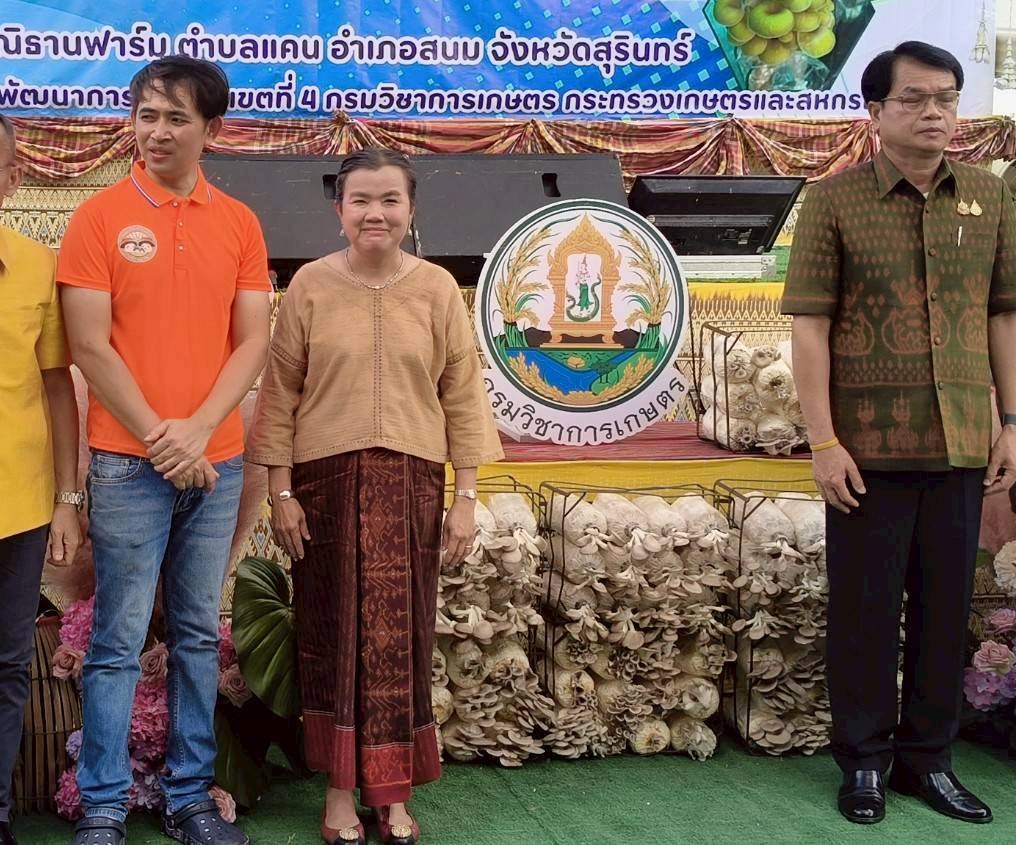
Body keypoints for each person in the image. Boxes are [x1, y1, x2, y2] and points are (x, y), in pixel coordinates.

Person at [783, 41, 1016, 826]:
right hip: (865, 448)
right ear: (876, 111)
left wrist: (1011, 422)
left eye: (945, 98)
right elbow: (810, 327)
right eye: (914, 99)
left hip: (962, 441)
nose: (933, 113)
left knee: (947, 609)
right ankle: (863, 761)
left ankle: (929, 761)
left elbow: (1003, 315)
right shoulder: (834, 199)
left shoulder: (988, 196)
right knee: (866, 610)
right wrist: (823, 441)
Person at [246, 148, 504, 845]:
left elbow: (462, 394)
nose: (375, 213)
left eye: (390, 199)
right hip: (323, 489)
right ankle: (337, 793)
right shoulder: (309, 286)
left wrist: (466, 496)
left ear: (411, 209)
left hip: (411, 487)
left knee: (400, 639)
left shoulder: (437, 289)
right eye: (360, 199)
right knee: (331, 635)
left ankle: (391, 796)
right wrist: (280, 491)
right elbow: (280, 394)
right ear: (339, 210)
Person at [57, 56, 271, 845]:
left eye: (176, 117)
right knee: (116, 640)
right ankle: (103, 806)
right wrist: (162, 437)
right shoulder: (98, 218)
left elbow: (252, 343)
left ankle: (189, 797)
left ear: (212, 130)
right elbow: (90, 346)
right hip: (126, 463)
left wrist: (198, 431)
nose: (156, 131)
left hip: (216, 462)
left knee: (195, 633)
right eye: (146, 114)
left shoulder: (240, 222)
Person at [0, 113, 82, 845]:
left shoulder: (35, 264)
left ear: (13, 178)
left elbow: (58, 386)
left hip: (19, 503)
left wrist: (65, 499)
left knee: (6, 662)